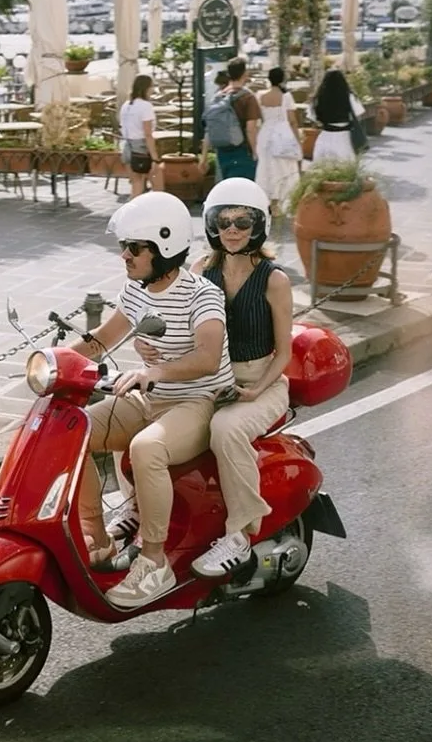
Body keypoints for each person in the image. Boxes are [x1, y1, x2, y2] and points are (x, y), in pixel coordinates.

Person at [68, 192, 234, 608]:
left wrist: (154, 372)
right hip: (149, 397)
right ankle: (98, 538)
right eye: (124, 245)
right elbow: (101, 340)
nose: (124, 254)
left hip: (197, 402)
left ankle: (154, 562)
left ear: (164, 245)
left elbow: (208, 356)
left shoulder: (202, 295)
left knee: (146, 448)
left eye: (134, 248)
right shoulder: (136, 289)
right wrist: (52, 364)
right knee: (75, 429)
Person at [177, 178, 296, 579]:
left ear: (258, 225)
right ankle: (134, 508)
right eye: (222, 220)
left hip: (263, 381)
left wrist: (257, 390)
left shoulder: (274, 279)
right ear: (210, 224)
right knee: (141, 415)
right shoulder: (199, 271)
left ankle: (240, 534)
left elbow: (285, 352)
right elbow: (184, 333)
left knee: (225, 430)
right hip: (212, 378)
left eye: (242, 221)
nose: (231, 229)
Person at [254, 64, 303, 228]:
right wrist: (297, 140)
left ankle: (270, 203)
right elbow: (293, 121)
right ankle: (280, 203)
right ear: (282, 79)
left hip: (266, 134)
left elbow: (258, 119)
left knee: (266, 169)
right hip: (282, 134)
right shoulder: (286, 97)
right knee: (285, 169)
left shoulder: (260, 95)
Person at [204, 55, 261, 182]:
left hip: (222, 150)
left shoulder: (218, 96)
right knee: (243, 190)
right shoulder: (248, 97)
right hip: (242, 150)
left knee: (227, 188)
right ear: (244, 73)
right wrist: (255, 152)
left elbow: (209, 128)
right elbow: (251, 129)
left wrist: (204, 157)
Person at [118, 74, 161, 196]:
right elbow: (147, 134)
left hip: (127, 145)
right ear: (146, 88)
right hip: (140, 146)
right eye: (152, 86)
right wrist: (154, 158)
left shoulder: (126, 105)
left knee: (136, 183)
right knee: (157, 184)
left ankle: (133, 210)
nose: (153, 89)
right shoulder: (145, 106)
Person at [309, 67, 362, 162]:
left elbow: (313, 117)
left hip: (325, 137)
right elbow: (359, 113)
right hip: (344, 139)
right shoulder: (349, 97)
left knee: (323, 171)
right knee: (345, 171)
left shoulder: (318, 98)